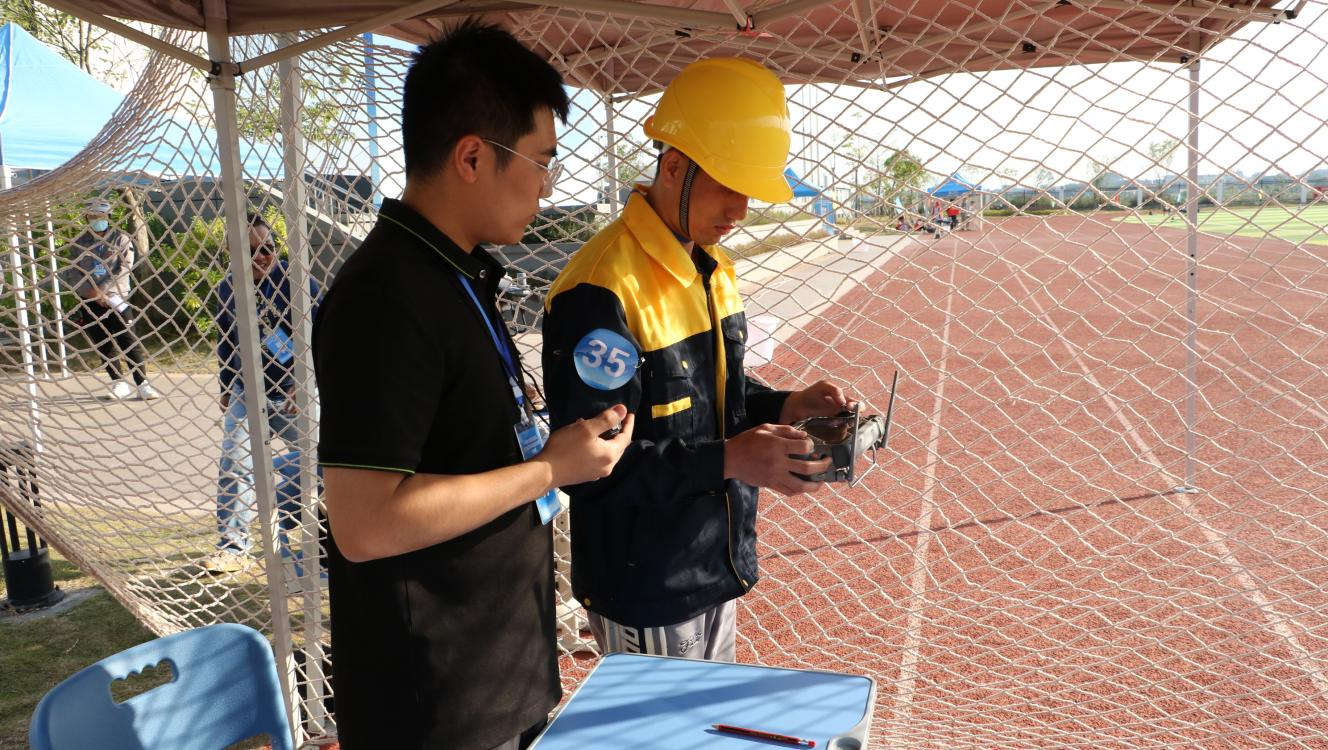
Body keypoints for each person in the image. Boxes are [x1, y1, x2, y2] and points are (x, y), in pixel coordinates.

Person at [311, 20, 633, 750]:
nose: (547, 185)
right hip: (435, 706)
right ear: (471, 156)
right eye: (541, 161)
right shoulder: (387, 296)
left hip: (494, 675)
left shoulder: (454, 273)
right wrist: (548, 469)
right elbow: (364, 525)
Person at [542, 57, 852, 664]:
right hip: (646, 584)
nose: (740, 209)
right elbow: (591, 467)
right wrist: (731, 458)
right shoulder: (600, 290)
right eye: (728, 185)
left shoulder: (711, 265)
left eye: (749, 191)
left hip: (712, 561)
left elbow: (714, 394)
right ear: (674, 167)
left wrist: (785, 404)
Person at [203, 213, 321, 574]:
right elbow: (226, 339)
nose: (261, 257)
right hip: (248, 392)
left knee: (325, 460)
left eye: (267, 248)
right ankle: (233, 547)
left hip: (295, 393)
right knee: (234, 463)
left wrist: (305, 381)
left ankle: (291, 515)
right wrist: (226, 385)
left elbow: (327, 333)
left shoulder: (297, 281)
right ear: (231, 251)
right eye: (250, 250)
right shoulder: (227, 288)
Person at [67, 198, 160, 400]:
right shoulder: (78, 243)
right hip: (90, 301)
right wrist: (90, 292)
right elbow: (73, 272)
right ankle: (118, 383)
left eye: (100, 216)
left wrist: (103, 290)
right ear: (86, 218)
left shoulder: (121, 239)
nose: (97, 220)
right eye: (92, 216)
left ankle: (142, 384)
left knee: (128, 341)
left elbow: (124, 268)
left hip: (117, 299)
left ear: (108, 217)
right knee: (103, 344)